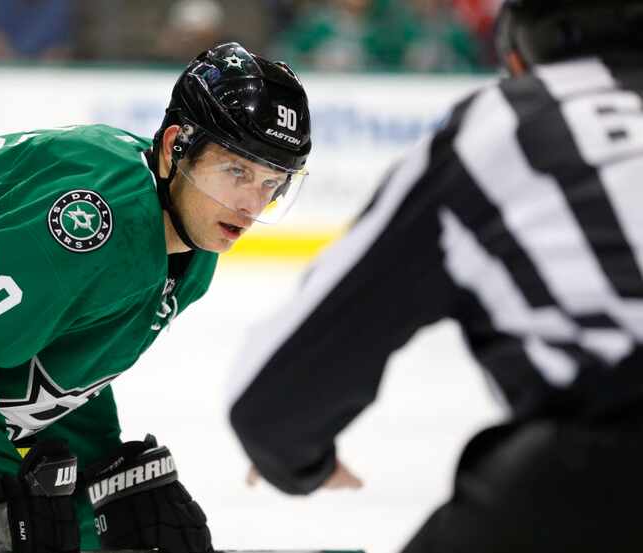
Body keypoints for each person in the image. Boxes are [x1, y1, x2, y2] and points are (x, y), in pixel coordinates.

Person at [0, 41, 311, 553]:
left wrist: (94, 490)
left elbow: (47, 372)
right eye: (237, 172)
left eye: (273, 183)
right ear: (174, 146)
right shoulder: (91, 219)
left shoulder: (189, 244)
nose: (252, 205)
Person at [229, 1, 643, 552]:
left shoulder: (497, 126)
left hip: (603, 462)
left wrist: (296, 460)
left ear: (520, 53)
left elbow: (272, 399)